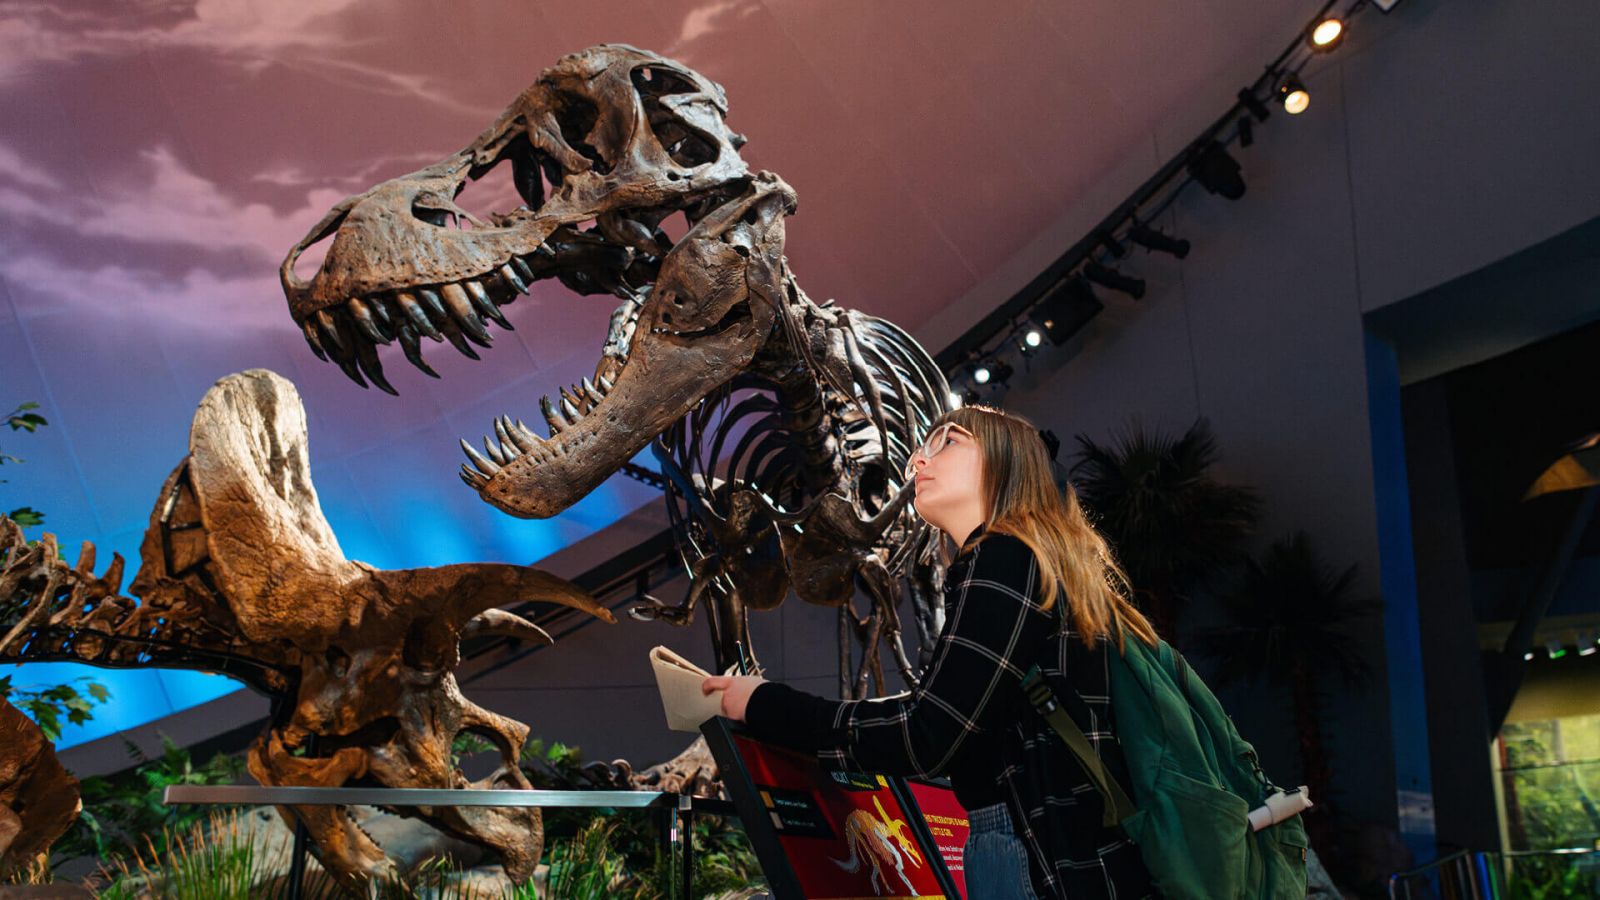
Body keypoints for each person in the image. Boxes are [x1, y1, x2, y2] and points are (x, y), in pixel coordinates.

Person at [702, 405, 1160, 900]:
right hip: (1080, 858)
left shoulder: (1005, 559)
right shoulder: (1041, 566)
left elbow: (926, 737)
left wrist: (762, 704)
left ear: (1008, 460)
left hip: (1036, 858)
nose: (917, 461)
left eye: (949, 441)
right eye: (922, 446)